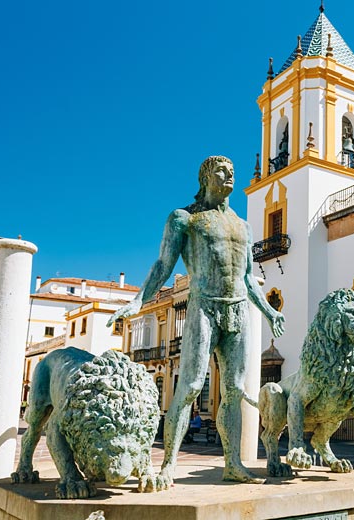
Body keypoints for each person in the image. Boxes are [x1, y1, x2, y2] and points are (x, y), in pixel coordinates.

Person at [109, 155, 285, 484]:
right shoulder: (184, 218)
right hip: (203, 306)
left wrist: (269, 311)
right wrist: (137, 301)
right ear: (205, 177)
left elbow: (248, 279)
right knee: (190, 386)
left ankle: (233, 463)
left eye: (233, 171)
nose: (230, 175)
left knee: (233, 391)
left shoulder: (242, 225)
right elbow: (163, 265)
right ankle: (169, 465)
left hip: (237, 310)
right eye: (222, 170)